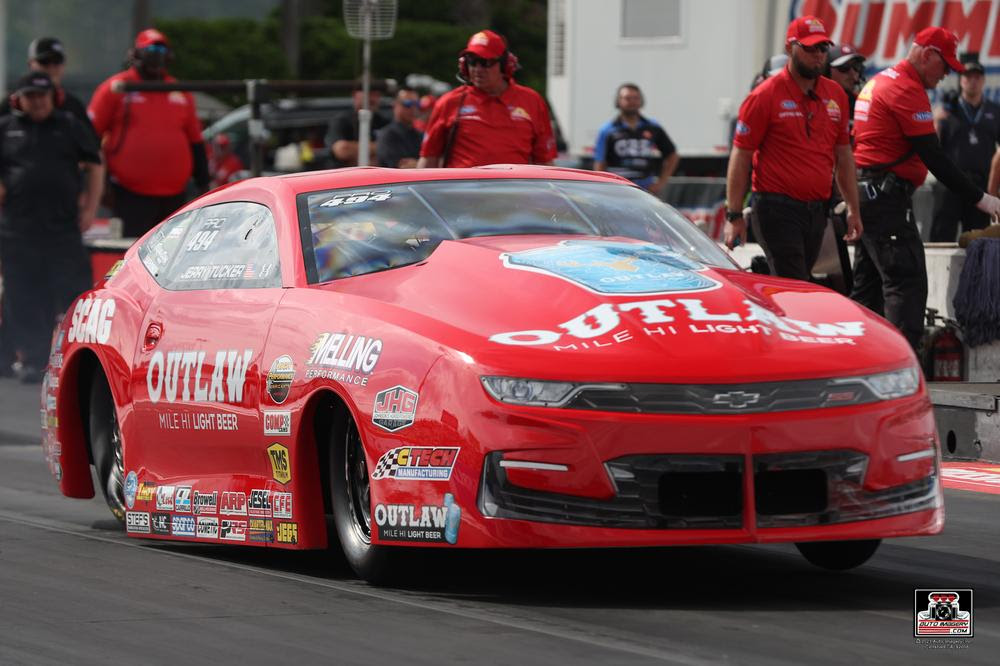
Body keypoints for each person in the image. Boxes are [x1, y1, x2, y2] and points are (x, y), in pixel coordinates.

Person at [852, 27, 1000, 349]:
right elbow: (934, 156)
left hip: (869, 197)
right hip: (886, 201)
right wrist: (983, 199)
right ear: (926, 54)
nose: (947, 73)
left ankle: (859, 364)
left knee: (867, 290)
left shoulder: (879, 81)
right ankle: (903, 375)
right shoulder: (906, 89)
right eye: (944, 64)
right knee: (907, 286)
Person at [724, 15, 862, 281]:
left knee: (797, 285)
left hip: (817, 210)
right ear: (790, 48)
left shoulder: (836, 96)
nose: (818, 56)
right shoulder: (763, 96)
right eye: (810, 48)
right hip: (777, 208)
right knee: (795, 283)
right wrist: (734, 214)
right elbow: (741, 157)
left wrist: (854, 209)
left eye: (822, 49)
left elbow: (843, 155)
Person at [0, 72, 103, 382]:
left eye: (43, 96)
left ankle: (82, 358)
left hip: (62, 229)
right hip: (18, 230)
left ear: (52, 97)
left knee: (75, 293)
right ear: (20, 99)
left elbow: (95, 163)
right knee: (24, 296)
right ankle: (33, 360)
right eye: (31, 96)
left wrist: (90, 208)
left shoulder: (69, 125)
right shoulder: (6, 128)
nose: (38, 101)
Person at [88, 28, 209, 239]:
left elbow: (195, 140)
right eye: (151, 51)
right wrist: (98, 184)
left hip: (175, 194)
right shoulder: (116, 88)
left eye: (161, 52)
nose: (156, 57)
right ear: (136, 55)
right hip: (130, 194)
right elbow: (89, 138)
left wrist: (203, 182)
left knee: (172, 254)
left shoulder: (180, 91)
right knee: (134, 252)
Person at [417, 30, 556, 168]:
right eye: (472, 61)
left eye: (485, 62)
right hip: (463, 189)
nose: (477, 69)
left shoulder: (532, 101)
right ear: (464, 64)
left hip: (516, 189)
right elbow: (429, 158)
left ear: (505, 64)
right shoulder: (449, 102)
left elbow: (544, 162)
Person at [930, 54, 1000, 241]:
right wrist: (935, 121)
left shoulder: (995, 111)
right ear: (961, 80)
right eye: (968, 76)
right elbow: (931, 148)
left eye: (977, 77)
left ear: (984, 80)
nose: (973, 81)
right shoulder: (947, 111)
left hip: (980, 184)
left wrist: (994, 189)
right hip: (949, 183)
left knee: (980, 239)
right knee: (941, 235)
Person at [593, 83, 679, 197]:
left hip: (645, 189)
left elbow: (672, 155)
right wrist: (603, 189)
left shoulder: (653, 127)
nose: (632, 102)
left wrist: (660, 183)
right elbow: (600, 163)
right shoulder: (608, 130)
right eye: (627, 98)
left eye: (636, 98)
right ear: (618, 101)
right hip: (618, 188)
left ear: (641, 101)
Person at [326, 80, 389, 168]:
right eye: (369, 94)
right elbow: (341, 150)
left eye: (377, 95)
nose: (373, 99)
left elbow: (392, 149)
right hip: (346, 176)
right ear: (355, 95)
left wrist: (355, 150)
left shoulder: (384, 122)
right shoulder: (342, 120)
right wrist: (377, 148)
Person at [376, 88, 423, 168]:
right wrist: (421, 164)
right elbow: (401, 166)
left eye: (416, 104)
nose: (413, 108)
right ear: (395, 105)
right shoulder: (387, 135)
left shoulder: (419, 135)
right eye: (407, 104)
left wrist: (417, 164)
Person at [824, 44, 866, 128]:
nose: (852, 73)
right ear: (826, 71)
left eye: (856, 67)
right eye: (844, 67)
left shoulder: (861, 105)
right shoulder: (814, 102)